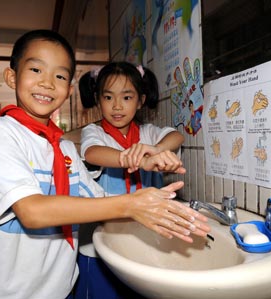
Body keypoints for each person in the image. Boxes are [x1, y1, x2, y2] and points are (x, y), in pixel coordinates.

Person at [0, 30, 210, 299]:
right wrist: (132, 204)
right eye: (36, 69)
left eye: (60, 76)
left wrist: (155, 205)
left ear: (69, 89)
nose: (48, 83)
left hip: (56, 290)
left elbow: (97, 200)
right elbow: (31, 211)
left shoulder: (62, 147)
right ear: (12, 77)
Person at [75, 61, 187, 299]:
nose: (117, 106)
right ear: (98, 100)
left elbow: (177, 136)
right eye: (108, 97)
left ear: (141, 100)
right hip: (98, 244)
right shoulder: (94, 133)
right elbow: (92, 152)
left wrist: (155, 150)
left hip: (145, 239)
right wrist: (138, 160)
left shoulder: (148, 132)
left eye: (126, 97)